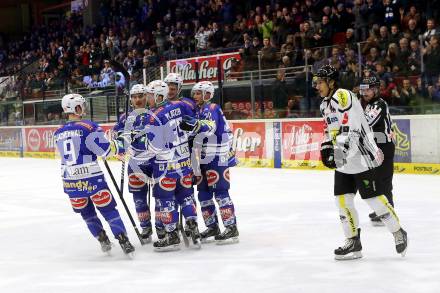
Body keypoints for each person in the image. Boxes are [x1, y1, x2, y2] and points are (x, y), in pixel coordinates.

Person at [315, 65, 407, 260]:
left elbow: (352, 126)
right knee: (342, 200)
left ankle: (398, 231)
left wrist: (338, 152)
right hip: (344, 158)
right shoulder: (324, 104)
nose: (317, 86)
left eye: (320, 82)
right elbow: (328, 129)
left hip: (362, 157)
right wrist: (325, 148)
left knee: (373, 199)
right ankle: (353, 241)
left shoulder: (343, 96)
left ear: (331, 82)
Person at [54, 93, 135, 256]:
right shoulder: (88, 126)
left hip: (70, 182)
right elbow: (105, 150)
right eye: (81, 105)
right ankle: (123, 240)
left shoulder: (58, 132)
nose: (83, 108)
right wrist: (120, 144)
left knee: (87, 213)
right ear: (76, 107)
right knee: (108, 210)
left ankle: (102, 239)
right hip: (92, 179)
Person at [140, 80, 201, 251]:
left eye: (150, 96)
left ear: (159, 95)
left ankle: (172, 235)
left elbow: (152, 147)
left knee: (165, 200)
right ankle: (193, 227)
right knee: (186, 197)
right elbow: (194, 126)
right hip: (184, 162)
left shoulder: (152, 116)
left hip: (165, 166)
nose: (147, 99)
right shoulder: (181, 106)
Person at [180, 81, 239, 244]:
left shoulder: (212, 108)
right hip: (203, 157)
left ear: (208, 94)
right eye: (194, 93)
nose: (195, 96)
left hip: (217, 155)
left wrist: (195, 125)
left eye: (198, 93)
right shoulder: (198, 110)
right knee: (203, 194)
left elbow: (210, 128)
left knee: (220, 193)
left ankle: (231, 227)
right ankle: (212, 226)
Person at [112, 84, 153, 244]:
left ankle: (165, 226)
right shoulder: (124, 117)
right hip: (136, 162)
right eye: (134, 97)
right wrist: (119, 144)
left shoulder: (154, 113)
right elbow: (116, 134)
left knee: (163, 196)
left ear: (147, 97)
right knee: (139, 198)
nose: (138, 100)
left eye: (141, 96)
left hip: (156, 161)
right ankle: (146, 227)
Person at [359, 74, 396, 226]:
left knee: (384, 180)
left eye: (367, 90)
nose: (364, 93)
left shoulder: (379, 104)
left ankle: (388, 211)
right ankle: (382, 209)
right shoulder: (368, 104)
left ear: (376, 90)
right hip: (376, 147)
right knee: (376, 179)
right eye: (362, 90)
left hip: (384, 147)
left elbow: (366, 123)